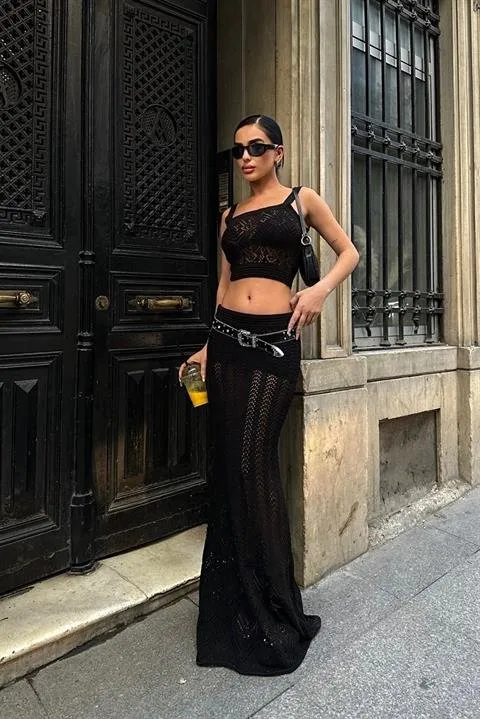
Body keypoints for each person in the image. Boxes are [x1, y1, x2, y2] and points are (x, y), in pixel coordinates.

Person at [178, 114, 359, 676]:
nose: (246, 158)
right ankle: (234, 605)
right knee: (230, 466)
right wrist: (206, 347)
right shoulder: (228, 216)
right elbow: (225, 284)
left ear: (278, 152)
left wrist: (319, 291)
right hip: (227, 344)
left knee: (254, 463)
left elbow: (349, 252)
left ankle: (275, 604)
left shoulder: (301, 200)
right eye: (239, 151)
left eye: (256, 147)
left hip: (275, 345)